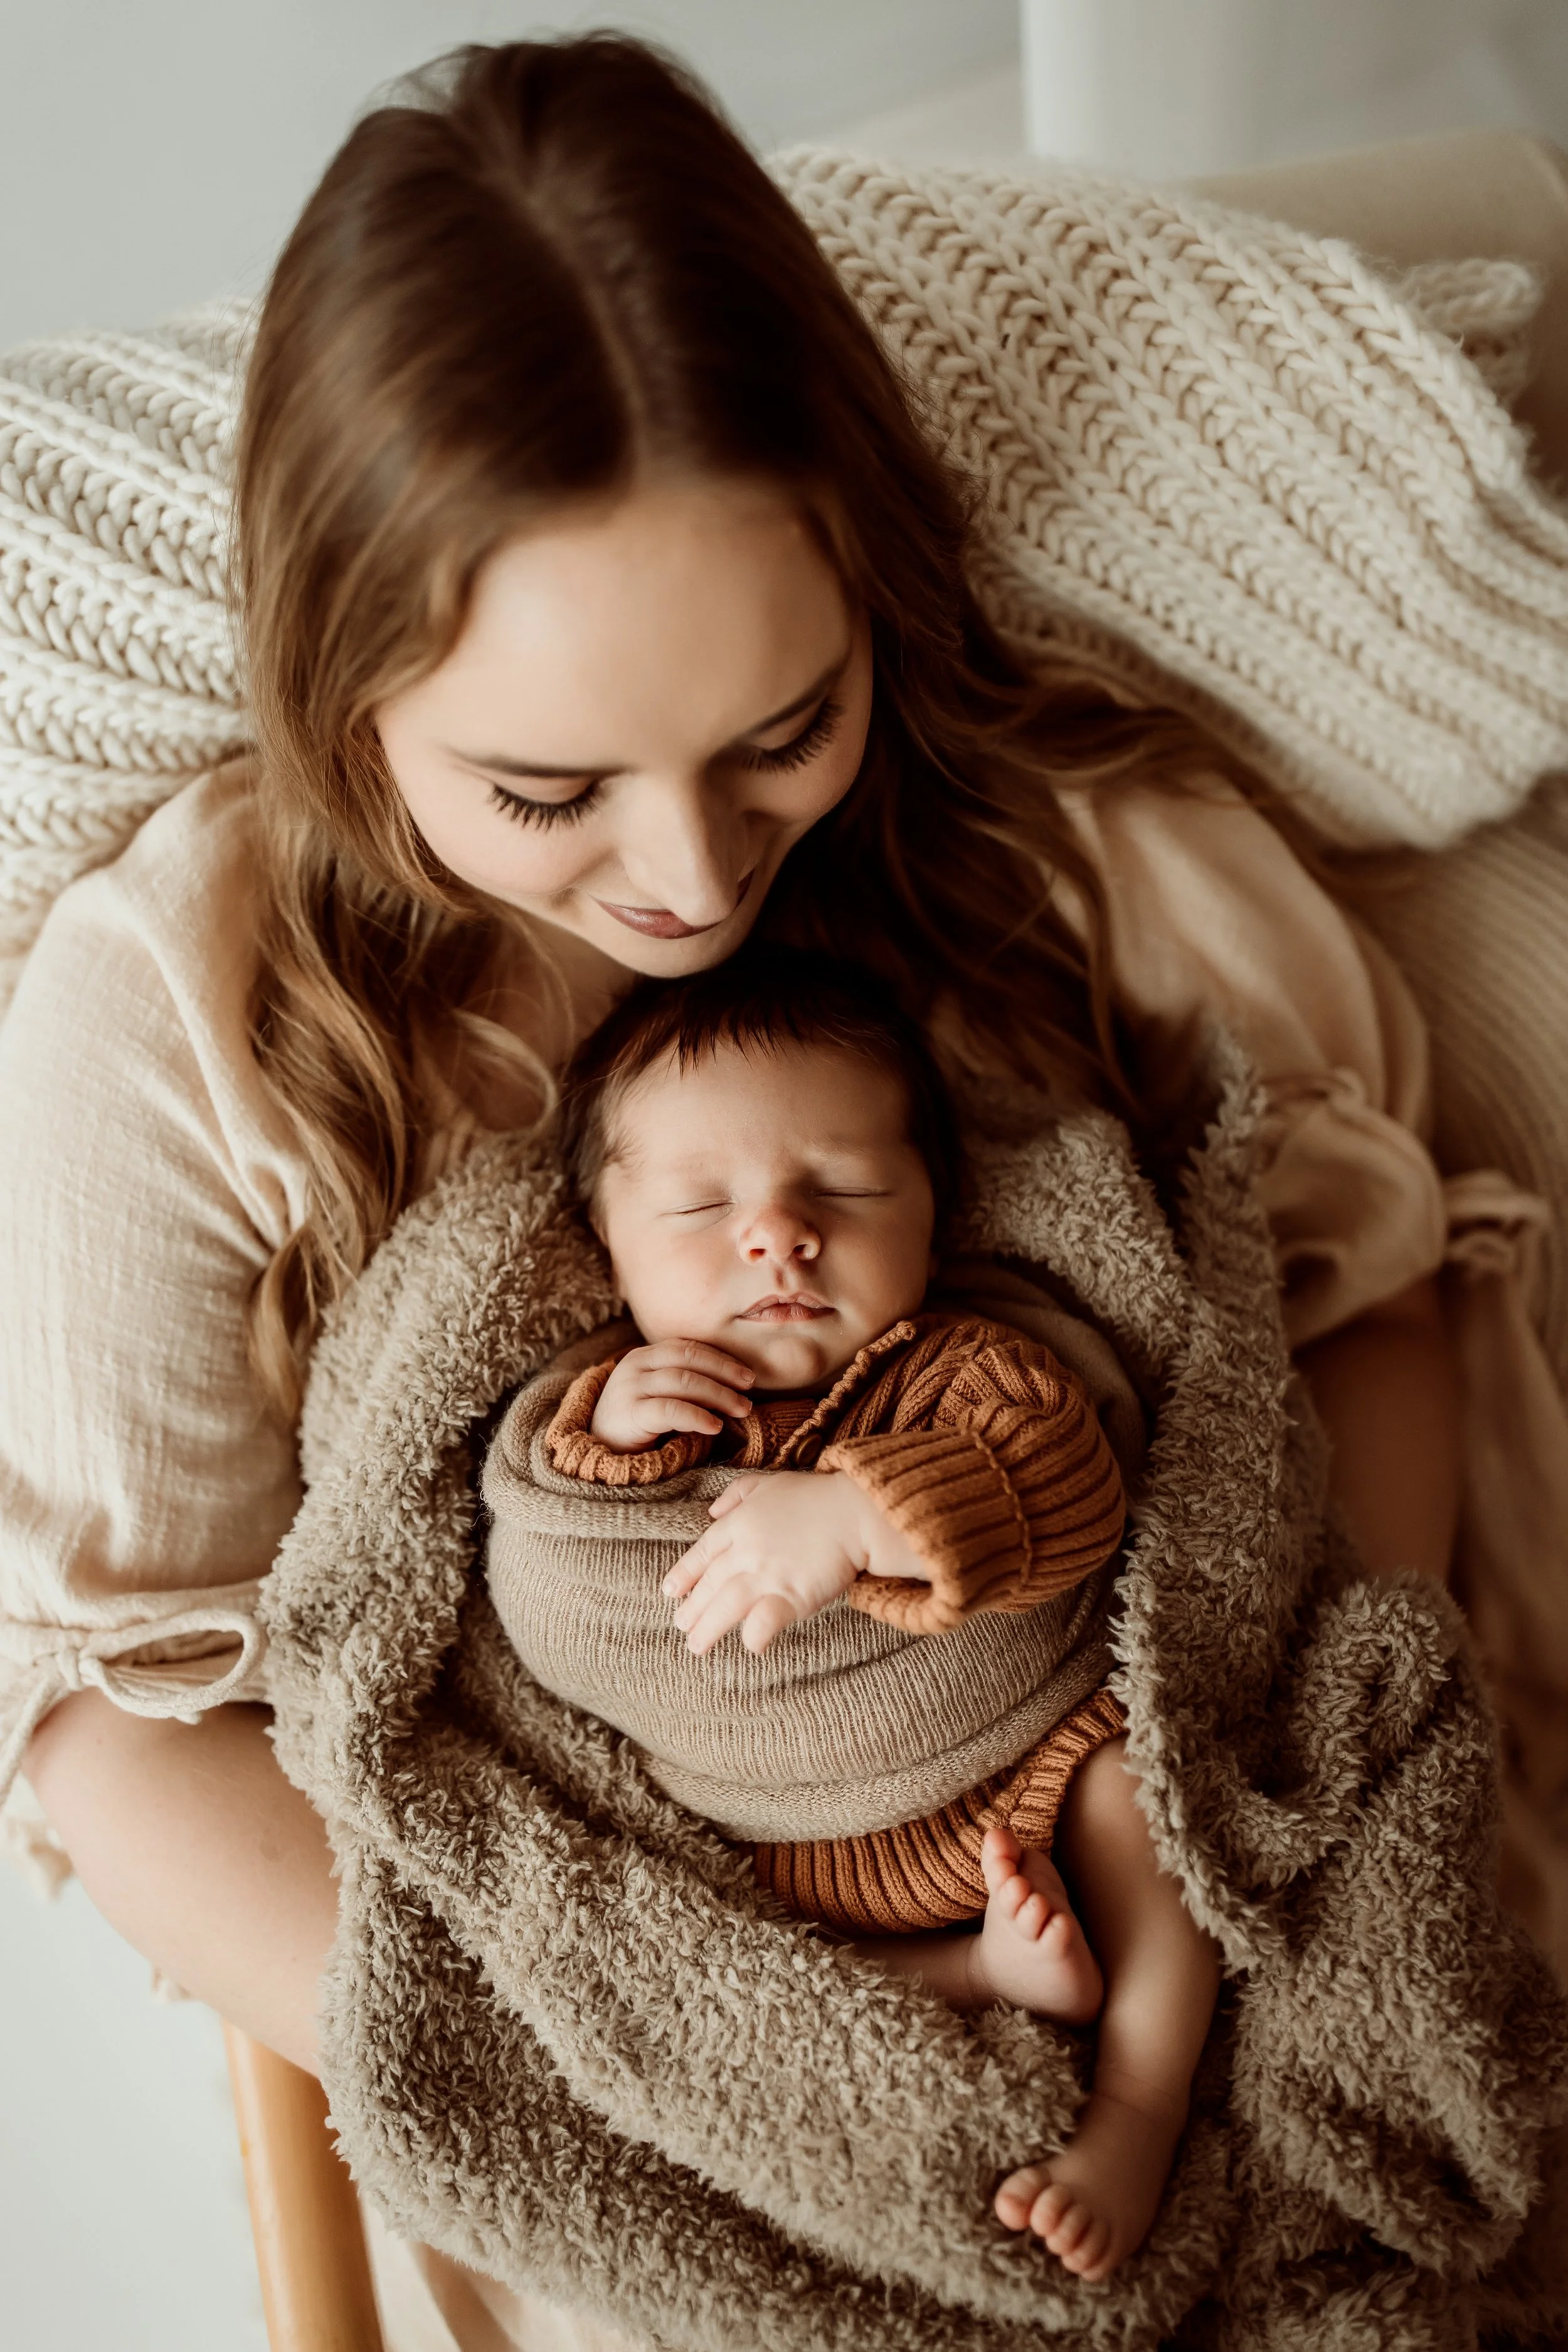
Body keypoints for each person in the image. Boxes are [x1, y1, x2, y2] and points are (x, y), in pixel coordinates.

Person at [0, 29, 1483, 2345]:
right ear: (344, 697)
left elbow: (1372, 1291)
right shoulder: (179, 1023)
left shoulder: (1046, 855)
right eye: (546, 784)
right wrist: (696, 2082)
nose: (690, 876)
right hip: (624, 1985)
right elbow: (104, 1720)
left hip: (1143, 1818)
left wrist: (1308, 1823)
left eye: (783, 731)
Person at [482, 948, 1221, 2282]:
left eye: (842, 1188)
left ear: (932, 1220)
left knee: (1140, 1803)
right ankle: (980, 1972)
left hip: (1021, 1771)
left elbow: (1062, 1482)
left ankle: (1133, 2111)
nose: (775, 1235)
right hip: (774, 1838)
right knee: (710, 1966)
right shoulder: (610, 1399)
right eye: (700, 1207)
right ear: (606, 1248)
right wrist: (600, 1442)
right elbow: (550, 1567)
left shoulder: (960, 1363)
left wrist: (854, 1515)